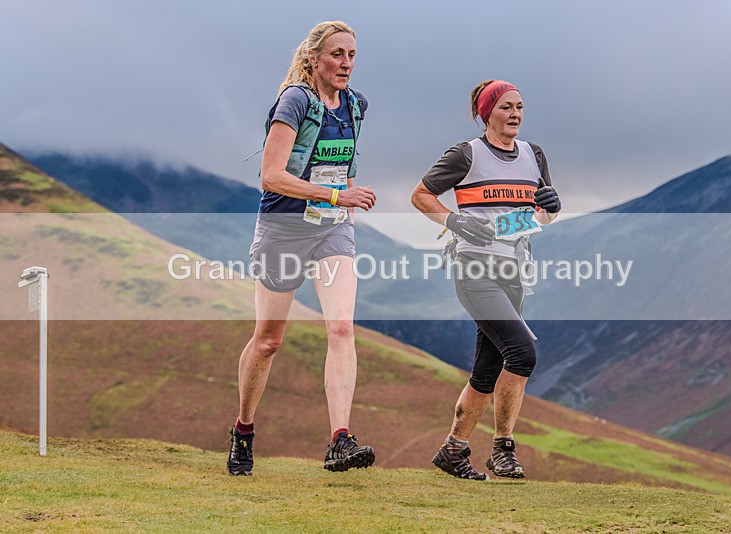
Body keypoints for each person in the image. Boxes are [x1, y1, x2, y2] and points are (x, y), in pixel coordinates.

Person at [227, 21, 377, 476]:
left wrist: (346, 202)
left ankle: (340, 439)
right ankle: (244, 430)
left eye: (351, 54)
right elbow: (271, 175)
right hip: (284, 227)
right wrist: (335, 196)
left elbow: (345, 161)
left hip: (331, 230)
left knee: (342, 329)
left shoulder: (356, 105)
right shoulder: (294, 101)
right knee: (269, 341)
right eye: (336, 54)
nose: (346, 63)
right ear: (314, 58)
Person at [410, 80, 561, 480]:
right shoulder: (466, 155)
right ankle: (502, 448)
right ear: (486, 113)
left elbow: (542, 215)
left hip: (515, 271)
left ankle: (453, 449)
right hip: (475, 269)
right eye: (506, 107)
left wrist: (552, 207)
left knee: (487, 370)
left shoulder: (534, 154)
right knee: (523, 353)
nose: (515, 114)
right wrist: (454, 220)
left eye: (520, 107)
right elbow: (421, 195)